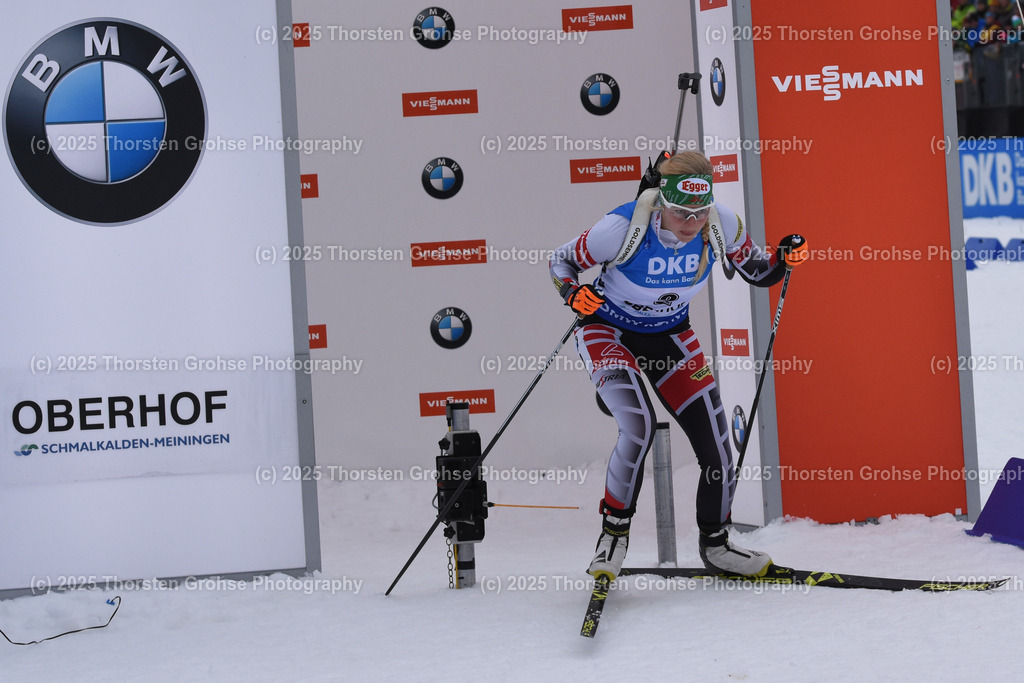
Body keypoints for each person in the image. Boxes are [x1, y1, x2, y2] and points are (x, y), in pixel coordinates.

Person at [548, 150, 807, 581]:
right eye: (681, 213)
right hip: (607, 331)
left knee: (717, 445)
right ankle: (613, 536)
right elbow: (562, 262)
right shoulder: (622, 226)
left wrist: (783, 260)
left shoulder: (721, 223)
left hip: (670, 335)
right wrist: (573, 294)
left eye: (700, 212)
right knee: (639, 425)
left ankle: (717, 543)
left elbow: (759, 273)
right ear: (661, 203)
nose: (691, 224)